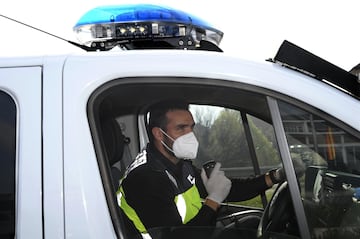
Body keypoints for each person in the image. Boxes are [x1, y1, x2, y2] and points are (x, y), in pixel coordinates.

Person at [117, 100, 300, 238]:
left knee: (252, 225)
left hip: (194, 232)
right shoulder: (145, 178)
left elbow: (227, 189)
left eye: (191, 127)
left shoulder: (179, 163)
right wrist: (213, 201)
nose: (190, 135)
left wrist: (275, 176)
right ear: (158, 133)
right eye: (181, 128)